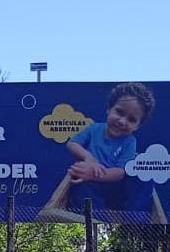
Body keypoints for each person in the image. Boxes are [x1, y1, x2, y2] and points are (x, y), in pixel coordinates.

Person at [65, 82, 156, 214]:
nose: (122, 121)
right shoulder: (94, 128)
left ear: (137, 126)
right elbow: (72, 144)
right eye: (119, 112)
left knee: (143, 176)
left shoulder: (129, 141)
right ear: (109, 108)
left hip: (115, 186)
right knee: (79, 186)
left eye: (131, 119)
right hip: (91, 184)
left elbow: (120, 172)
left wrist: (94, 174)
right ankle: (97, 216)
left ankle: (135, 218)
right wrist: (88, 158)